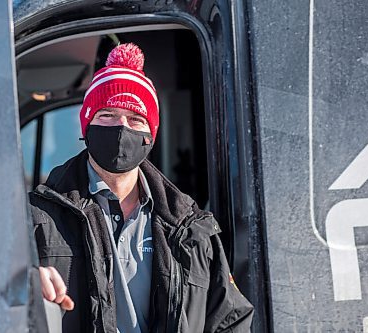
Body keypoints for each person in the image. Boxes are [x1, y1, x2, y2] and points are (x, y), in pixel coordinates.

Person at [29, 43, 254, 333]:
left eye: (135, 119)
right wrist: (24, 284)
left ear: (150, 135)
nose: (122, 128)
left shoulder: (190, 229)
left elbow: (229, 321)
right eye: (107, 115)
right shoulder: (37, 217)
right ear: (86, 127)